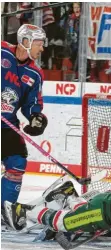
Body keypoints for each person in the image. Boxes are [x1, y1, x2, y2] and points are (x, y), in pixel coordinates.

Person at [1, 24, 48, 223]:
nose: (42, 48)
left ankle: (4, 211)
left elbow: (32, 104)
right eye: (39, 43)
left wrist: (36, 118)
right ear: (26, 42)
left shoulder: (35, 74)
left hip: (6, 124)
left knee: (17, 164)